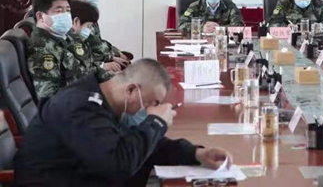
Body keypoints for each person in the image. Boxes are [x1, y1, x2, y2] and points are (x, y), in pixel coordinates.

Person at [15, 59, 232, 186]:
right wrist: (155, 122)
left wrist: (196, 153)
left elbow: (137, 142)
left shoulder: (103, 99)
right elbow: (119, 164)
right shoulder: (81, 107)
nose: (150, 109)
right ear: (131, 90)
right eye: (152, 102)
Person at [28, 0, 95, 100]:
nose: (66, 15)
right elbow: (49, 96)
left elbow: (85, 66)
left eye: (68, 10)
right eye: (59, 11)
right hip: (74, 103)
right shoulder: (43, 48)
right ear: (40, 16)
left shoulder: (61, 36)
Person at [73, 0, 130, 69]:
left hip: (95, 64)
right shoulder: (74, 18)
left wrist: (115, 54)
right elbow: (86, 50)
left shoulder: (91, 15)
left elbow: (97, 42)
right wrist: (106, 62)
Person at [68, 0, 119, 74]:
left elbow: (89, 61)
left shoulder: (78, 40)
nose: (89, 30)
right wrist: (103, 68)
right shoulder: (69, 42)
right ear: (76, 21)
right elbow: (79, 72)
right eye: (88, 26)